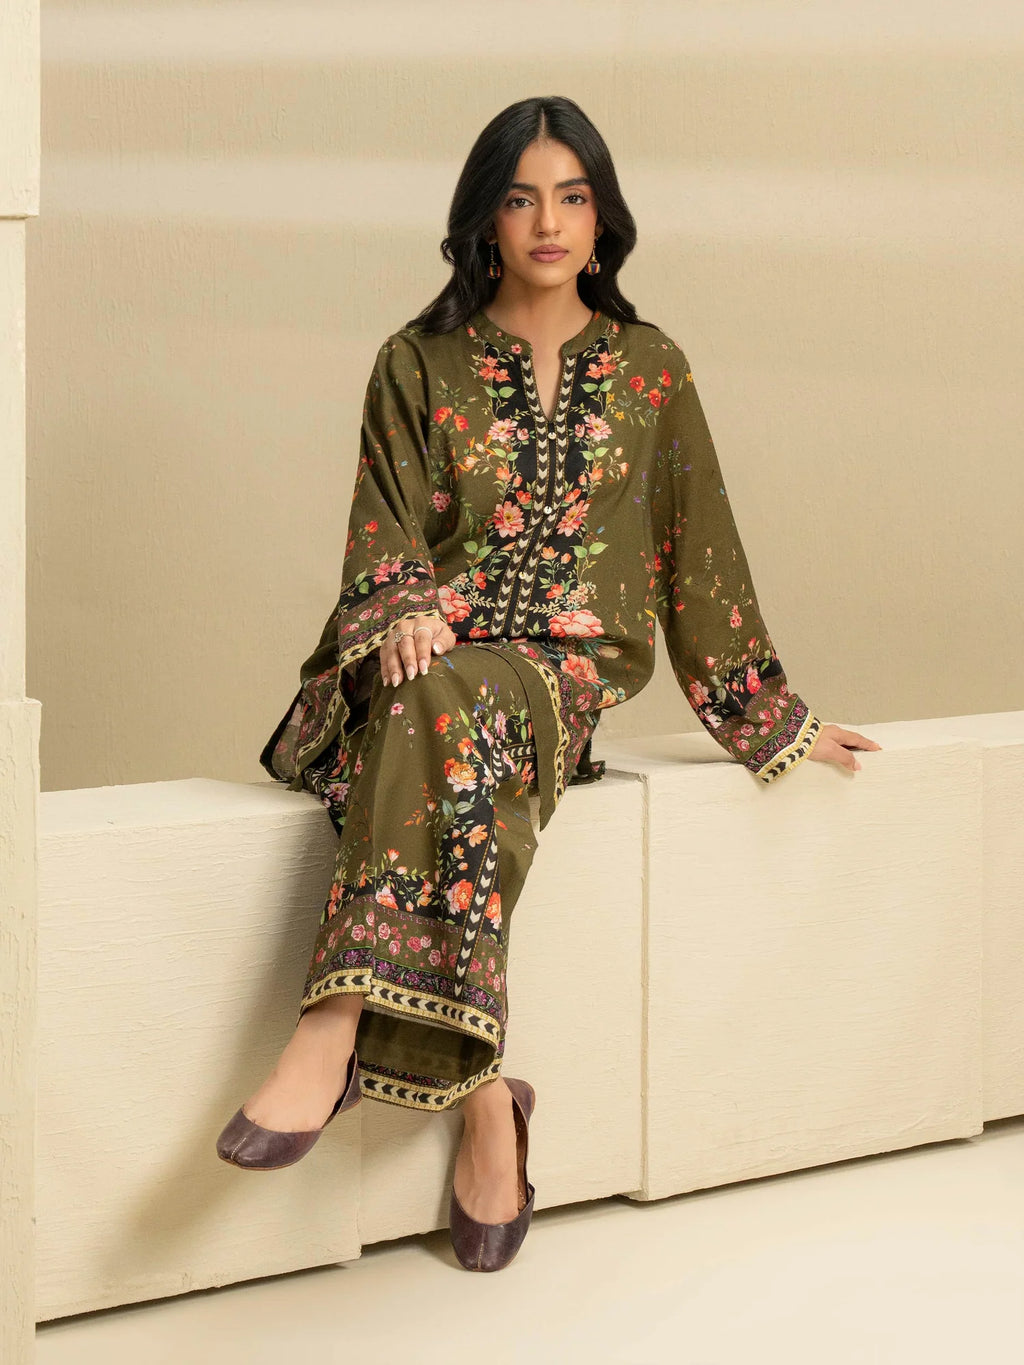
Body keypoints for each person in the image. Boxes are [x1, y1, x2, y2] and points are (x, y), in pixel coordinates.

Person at [215, 95, 881, 1272]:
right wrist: (404, 606)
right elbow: (381, 536)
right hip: (421, 656)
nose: (548, 221)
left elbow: (699, 551)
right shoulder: (414, 363)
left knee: (460, 708)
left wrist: (772, 714)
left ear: (603, 214)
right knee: (437, 700)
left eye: (572, 196)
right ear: (484, 217)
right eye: (521, 196)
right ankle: (484, 1106)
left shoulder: (650, 371)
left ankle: (336, 1035)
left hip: (559, 674)